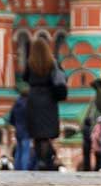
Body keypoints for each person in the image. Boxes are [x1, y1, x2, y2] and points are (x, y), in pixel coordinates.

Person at [23, 37, 69, 171]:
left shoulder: (30, 63)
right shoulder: (52, 63)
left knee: (37, 135)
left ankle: (42, 160)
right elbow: (61, 78)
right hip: (48, 99)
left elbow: (25, 78)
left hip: (34, 99)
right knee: (46, 134)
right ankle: (46, 159)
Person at [6, 88, 32, 171]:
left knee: (18, 150)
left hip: (18, 130)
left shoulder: (16, 104)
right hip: (26, 130)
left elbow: (11, 119)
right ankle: (24, 169)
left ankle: (17, 167)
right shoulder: (28, 104)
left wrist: (16, 125)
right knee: (25, 151)